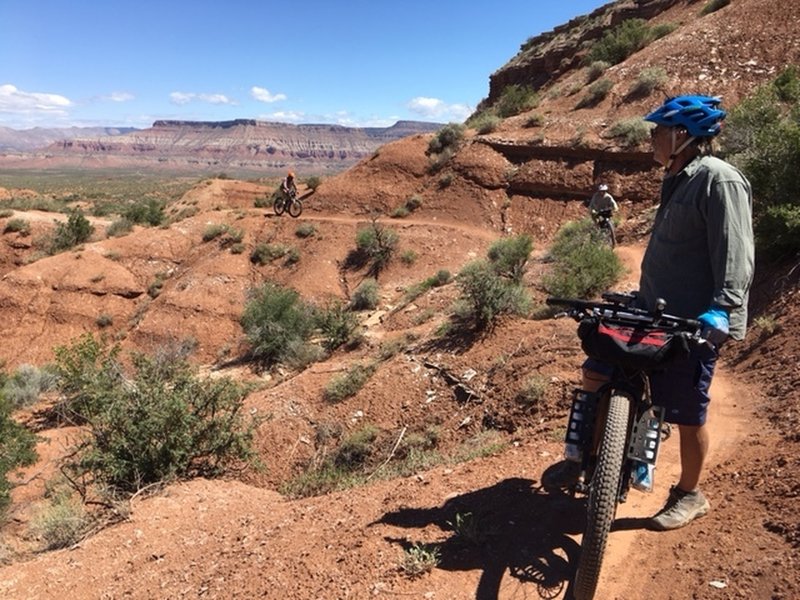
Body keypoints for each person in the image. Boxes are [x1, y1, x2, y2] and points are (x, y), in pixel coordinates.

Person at [578, 95, 754, 530]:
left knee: (687, 411)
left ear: (682, 136)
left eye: (658, 130)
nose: (651, 137)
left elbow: (737, 253)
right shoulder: (675, 177)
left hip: (695, 321)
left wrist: (723, 309)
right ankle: (596, 459)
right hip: (651, 307)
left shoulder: (719, 180)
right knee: (597, 368)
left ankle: (690, 494)